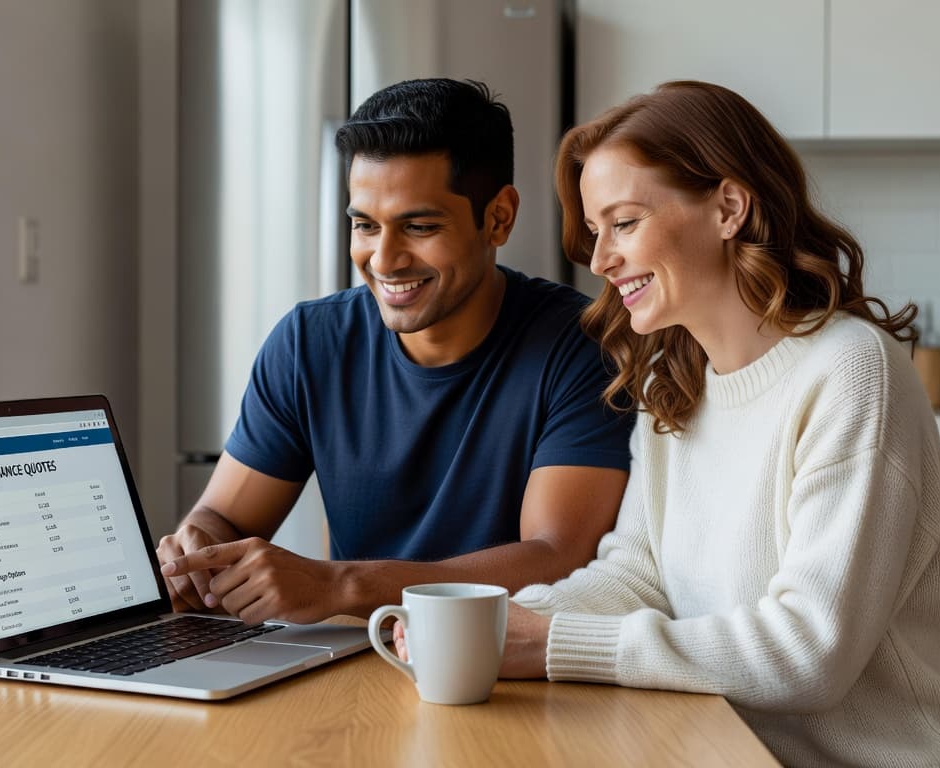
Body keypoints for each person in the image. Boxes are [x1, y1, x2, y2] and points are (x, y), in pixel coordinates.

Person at [492, 81, 940, 766]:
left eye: (624, 223)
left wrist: (552, 644)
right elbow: (638, 575)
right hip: (724, 748)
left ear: (728, 208)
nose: (600, 259)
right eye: (594, 231)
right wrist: (498, 622)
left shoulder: (850, 372)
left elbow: (808, 652)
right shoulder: (675, 381)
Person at [157, 78, 635, 625]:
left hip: (504, 657)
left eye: (419, 226)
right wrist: (198, 547)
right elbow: (224, 517)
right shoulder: (308, 344)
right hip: (350, 657)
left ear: (498, 218)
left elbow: (556, 559)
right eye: (365, 225)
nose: (384, 260)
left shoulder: (583, 347)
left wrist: (337, 584)